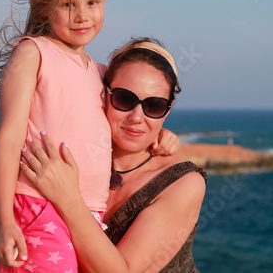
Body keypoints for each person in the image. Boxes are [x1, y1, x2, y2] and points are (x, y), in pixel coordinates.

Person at [0, 0, 178, 272]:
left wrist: (165, 137)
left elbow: (117, 128)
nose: (82, 16)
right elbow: (8, 137)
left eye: (92, 3)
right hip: (38, 203)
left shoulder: (102, 72)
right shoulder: (33, 53)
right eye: (67, 4)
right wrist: (4, 221)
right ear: (45, 5)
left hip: (87, 214)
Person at [21, 38, 207, 272]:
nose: (137, 117)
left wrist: (68, 199)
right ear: (103, 95)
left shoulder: (184, 184)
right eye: (124, 99)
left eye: (154, 106)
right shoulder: (76, 155)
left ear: (167, 110)